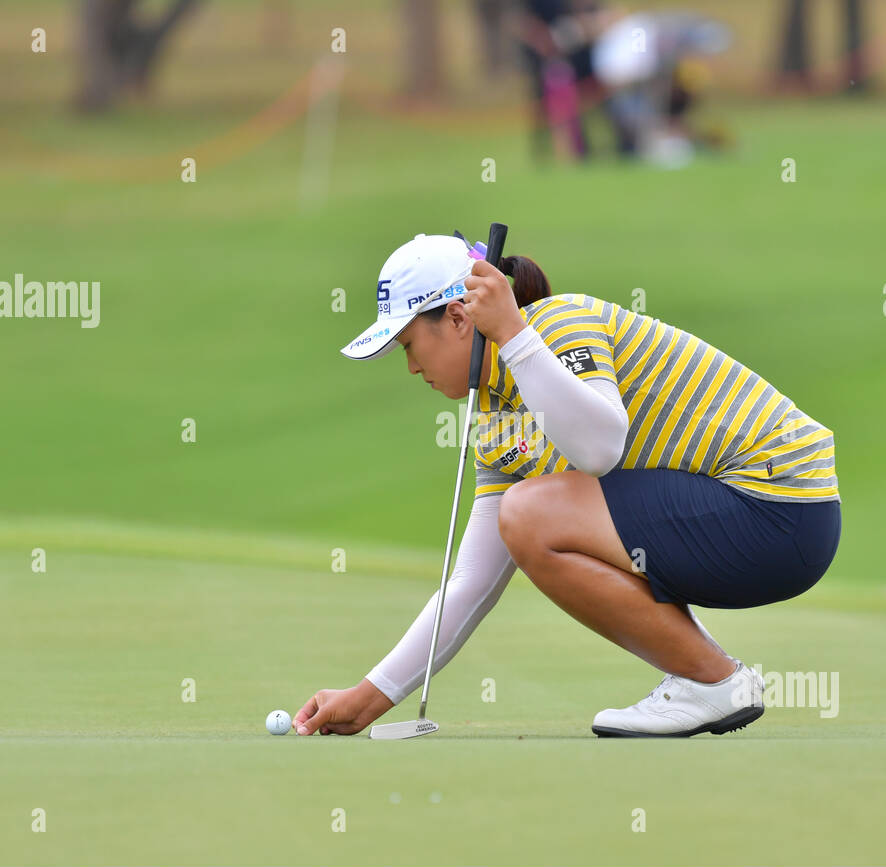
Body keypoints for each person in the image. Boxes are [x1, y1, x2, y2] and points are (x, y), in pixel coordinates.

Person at [296, 233, 841, 738]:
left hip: (782, 507)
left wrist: (511, 332)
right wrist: (369, 699)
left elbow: (600, 447)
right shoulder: (492, 413)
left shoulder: (558, 325)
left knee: (529, 511)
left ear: (459, 317)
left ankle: (711, 682)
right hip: (742, 524)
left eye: (409, 343)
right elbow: (471, 581)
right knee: (525, 515)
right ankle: (712, 679)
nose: (410, 367)